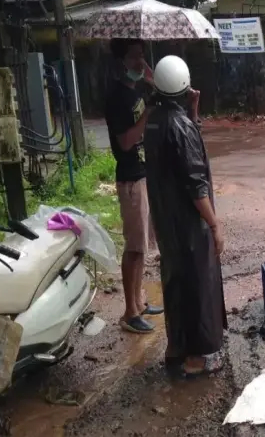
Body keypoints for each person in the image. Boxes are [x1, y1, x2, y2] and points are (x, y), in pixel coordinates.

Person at [144, 55, 228, 377]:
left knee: (176, 284)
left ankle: (177, 348)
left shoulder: (154, 121)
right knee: (198, 286)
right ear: (184, 84)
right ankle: (199, 358)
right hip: (189, 225)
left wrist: (192, 114)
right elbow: (195, 184)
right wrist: (214, 224)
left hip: (168, 223)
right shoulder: (179, 126)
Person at [105, 39, 164, 334]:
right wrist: (147, 115)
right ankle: (129, 312)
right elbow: (126, 141)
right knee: (135, 247)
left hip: (142, 174)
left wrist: (150, 76)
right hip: (130, 177)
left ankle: (139, 302)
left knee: (143, 246)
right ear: (119, 63)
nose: (139, 62)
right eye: (133, 57)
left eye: (142, 55)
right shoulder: (117, 97)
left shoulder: (136, 90)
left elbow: (158, 89)